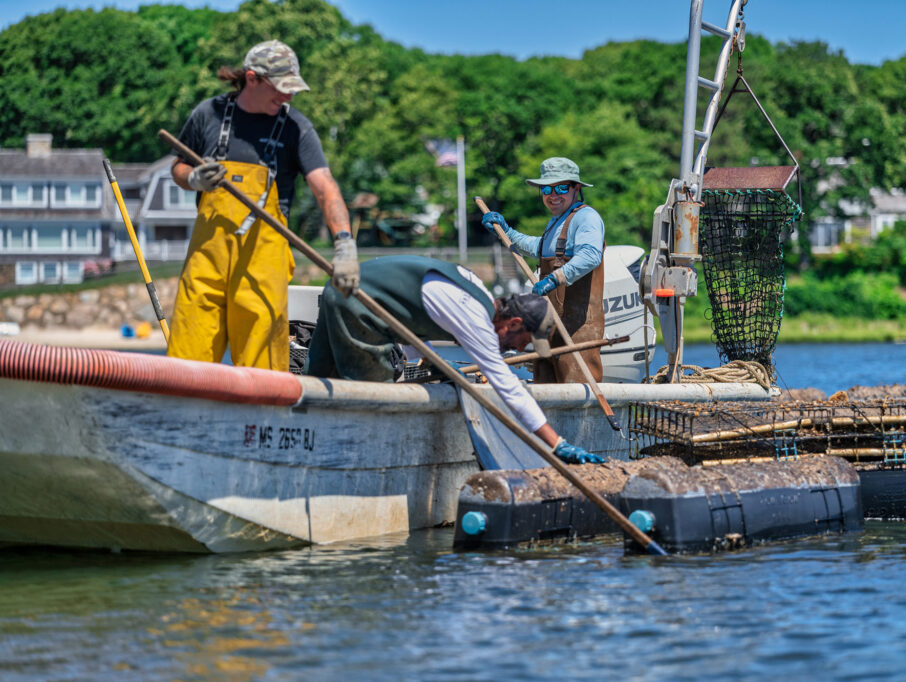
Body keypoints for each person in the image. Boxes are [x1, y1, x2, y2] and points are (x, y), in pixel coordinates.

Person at [167, 39, 359, 371]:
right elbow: (178, 168)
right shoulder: (208, 114)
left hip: (263, 261)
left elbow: (326, 188)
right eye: (281, 88)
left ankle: (263, 422)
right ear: (252, 78)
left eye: (292, 89)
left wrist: (344, 244)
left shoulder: (296, 127)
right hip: (206, 259)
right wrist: (195, 178)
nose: (288, 96)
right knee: (187, 360)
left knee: (263, 367)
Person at [304, 255, 604, 464]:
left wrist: (433, 363)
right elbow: (508, 387)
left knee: (315, 380)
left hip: (340, 288)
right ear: (512, 323)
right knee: (373, 396)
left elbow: (411, 317)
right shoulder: (474, 316)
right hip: (358, 302)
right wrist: (557, 444)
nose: (513, 350)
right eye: (521, 342)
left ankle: (307, 447)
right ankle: (354, 462)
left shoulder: (475, 290)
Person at [481, 157, 605, 384]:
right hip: (549, 329)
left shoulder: (586, 217)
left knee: (577, 389)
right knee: (545, 388)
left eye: (561, 188)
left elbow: (590, 256)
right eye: (546, 188)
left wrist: (555, 279)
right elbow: (539, 247)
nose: (553, 194)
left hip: (578, 330)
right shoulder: (556, 221)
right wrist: (506, 232)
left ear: (576, 188)